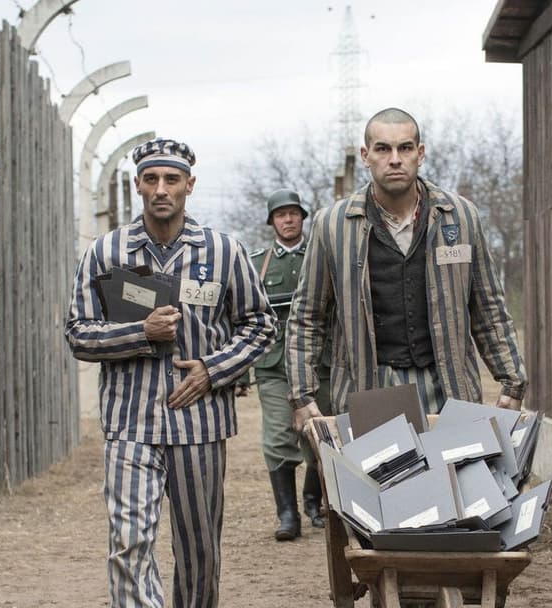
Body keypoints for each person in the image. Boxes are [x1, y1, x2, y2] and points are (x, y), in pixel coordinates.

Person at [65, 138, 276, 607]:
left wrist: (212, 369)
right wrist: (140, 332)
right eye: (151, 179)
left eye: (172, 179)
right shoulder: (106, 252)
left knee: (199, 553)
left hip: (199, 425)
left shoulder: (224, 252)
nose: (162, 189)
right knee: (129, 544)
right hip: (130, 426)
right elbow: (78, 332)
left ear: (189, 186)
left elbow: (261, 324)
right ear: (138, 185)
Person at [285, 107, 526, 432]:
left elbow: (489, 309)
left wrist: (512, 379)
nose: (395, 159)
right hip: (370, 386)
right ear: (366, 155)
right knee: (380, 480)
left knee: (454, 480)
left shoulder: (460, 217)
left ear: (420, 153)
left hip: (447, 386)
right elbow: (306, 318)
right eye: (383, 149)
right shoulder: (332, 225)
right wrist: (302, 395)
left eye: (405, 148)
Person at [238, 188, 333, 539]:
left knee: (321, 432)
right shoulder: (257, 262)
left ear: (303, 218)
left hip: (318, 361)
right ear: (272, 222)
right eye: (281, 215)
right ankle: (288, 515)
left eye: (294, 213)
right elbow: (244, 317)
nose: (289, 219)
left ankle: (314, 498)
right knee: (279, 434)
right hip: (275, 364)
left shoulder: (321, 256)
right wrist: (243, 370)